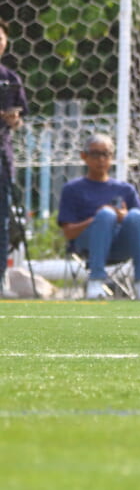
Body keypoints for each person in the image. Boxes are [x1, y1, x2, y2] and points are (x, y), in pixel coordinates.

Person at [57, 133, 140, 300]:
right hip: (87, 245)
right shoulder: (72, 189)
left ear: (112, 157)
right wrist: (95, 220)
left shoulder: (126, 189)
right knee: (106, 215)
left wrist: (123, 217)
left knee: (136, 215)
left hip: (120, 246)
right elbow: (68, 233)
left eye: (106, 154)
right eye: (95, 154)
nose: (101, 159)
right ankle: (95, 280)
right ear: (84, 156)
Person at [0, 19, 27, 295]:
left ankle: (1, 278)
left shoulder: (10, 78)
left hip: (2, 157)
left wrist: (13, 120)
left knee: (2, 221)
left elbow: (21, 118)